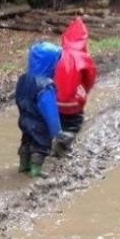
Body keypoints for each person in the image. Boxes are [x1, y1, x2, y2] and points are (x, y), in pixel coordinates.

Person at [15, 41, 66, 178]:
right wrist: (57, 130)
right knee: (40, 145)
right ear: (50, 64)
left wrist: (24, 113)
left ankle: (23, 165)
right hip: (39, 123)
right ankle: (35, 170)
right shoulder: (45, 86)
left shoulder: (23, 78)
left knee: (26, 141)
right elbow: (50, 111)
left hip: (24, 118)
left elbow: (18, 98)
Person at [52, 17, 97, 157]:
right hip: (73, 102)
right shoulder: (84, 57)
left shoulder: (57, 53)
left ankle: (54, 138)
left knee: (59, 120)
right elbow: (90, 78)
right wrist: (84, 91)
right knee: (75, 122)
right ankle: (63, 144)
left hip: (54, 99)